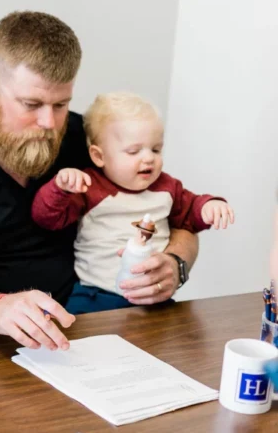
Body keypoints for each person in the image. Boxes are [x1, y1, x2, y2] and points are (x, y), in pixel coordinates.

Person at [0, 11, 199, 351]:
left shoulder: (83, 139)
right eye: (31, 104)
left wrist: (176, 263)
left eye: (60, 104)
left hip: (79, 329)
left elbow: (178, 213)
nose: (48, 122)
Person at [31, 92, 234, 314]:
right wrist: (60, 188)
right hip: (95, 295)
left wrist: (209, 206)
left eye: (156, 149)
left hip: (152, 297)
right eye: (134, 151)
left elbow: (190, 213)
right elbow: (47, 218)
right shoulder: (89, 186)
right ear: (99, 156)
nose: (148, 158)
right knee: (72, 336)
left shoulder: (167, 188)